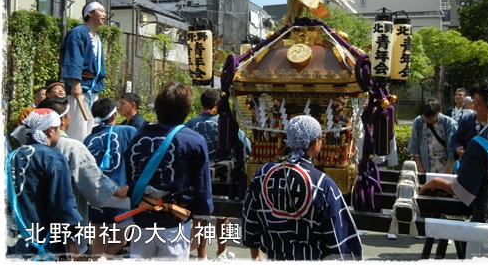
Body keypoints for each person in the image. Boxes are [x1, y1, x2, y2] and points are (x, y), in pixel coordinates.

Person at [242, 115, 363, 260]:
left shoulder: (262, 174)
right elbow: (339, 236)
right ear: (314, 144)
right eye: (320, 138)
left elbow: (250, 217)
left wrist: (254, 253)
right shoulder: (322, 183)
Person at [124, 82, 213, 260]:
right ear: (186, 109)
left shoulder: (137, 136)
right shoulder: (192, 140)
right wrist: (200, 223)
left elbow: (129, 176)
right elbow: (202, 186)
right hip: (174, 222)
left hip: (142, 220)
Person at [38, 97, 129, 259]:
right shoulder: (72, 147)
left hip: (34, 221)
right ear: (62, 120)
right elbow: (93, 181)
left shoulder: (26, 150)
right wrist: (117, 191)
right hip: (67, 220)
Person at [420, 84, 488, 258]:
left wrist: (437, 182)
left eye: (477, 103)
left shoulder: (481, 144)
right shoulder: (471, 124)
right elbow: (455, 140)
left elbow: (464, 191)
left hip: (487, 219)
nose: (473, 107)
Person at [6, 109, 82, 260]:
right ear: (50, 130)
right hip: (42, 240)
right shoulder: (52, 157)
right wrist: (72, 238)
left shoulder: (12, 155)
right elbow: (63, 204)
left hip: (12, 239)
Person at [184, 88, 250, 260]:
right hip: (222, 178)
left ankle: (202, 256)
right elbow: (246, 145)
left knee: (201, 218)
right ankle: (221, 253)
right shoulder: (226, 123)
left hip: (197, 178)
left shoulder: (191, 124)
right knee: (223, 217)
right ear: (216, 104)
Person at [82, 97, 136, 258]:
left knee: (99, 241)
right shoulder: (128, 131)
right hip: (121, 194)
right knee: (121, 238)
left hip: (96, 197)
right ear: (114, 116)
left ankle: (97, 259)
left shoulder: (88, 139)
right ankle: (101, 261)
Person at [61, 1, 107, 141]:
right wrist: (75, 83)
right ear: (90, 13)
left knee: (91, 125)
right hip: (80, 86)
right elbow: (73, 58)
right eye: (101, 11)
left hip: (92, 87)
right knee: (78, 126)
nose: (104, 15)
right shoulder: (77, 33)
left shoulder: (97, 37)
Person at [408, 98, 457, 174]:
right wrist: (419, 166)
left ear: (438, 111)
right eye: (425, 116)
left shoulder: (449, 123)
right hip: (426, 164)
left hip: (446, 164)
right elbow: (414, 144)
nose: (428, 119)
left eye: (431, 116)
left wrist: (449, 167)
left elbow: (453, 147)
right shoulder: (418, 121)